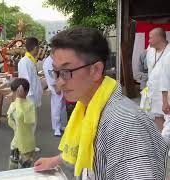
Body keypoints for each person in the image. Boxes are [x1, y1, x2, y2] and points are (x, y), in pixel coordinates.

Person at [34, 27, 168, 180]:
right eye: (56, 72)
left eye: (66, 72)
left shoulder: (126, 125)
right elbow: (85, 150)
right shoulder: (88, 108)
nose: (59, 82)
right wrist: (57, 161)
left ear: (96, 70)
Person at [141, 27, 170, 131]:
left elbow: (166, 78)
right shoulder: (150, 49)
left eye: (151, 38)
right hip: (151, 91)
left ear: (159, 38)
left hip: (166, 93)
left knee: (166, 121)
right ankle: (158, 142)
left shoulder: (169, 52)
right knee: (154, 117)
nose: (148, 40)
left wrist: (165, 100)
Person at [18, 37, 43, 151]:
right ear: (36, 48)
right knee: (30, 123)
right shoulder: (25, 62)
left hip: (31, 96)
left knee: (31, 122)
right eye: (38, 48)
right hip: (29, 97)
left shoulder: (30, 60)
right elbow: (25, 81)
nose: (39, 50)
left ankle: (29, 144)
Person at [7, 78, 36, 169]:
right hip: (16, 143)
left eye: (15, 92)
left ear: (24, 92)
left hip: (26, 146)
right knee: (12, 169)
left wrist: (19, 100)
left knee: (24, 172)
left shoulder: (30, 105)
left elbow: (26, 120)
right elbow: (11, 121)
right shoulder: (13, 104)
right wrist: (17, 101)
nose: (13, 94)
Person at [43, 54, 67, 136]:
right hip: (56, 86)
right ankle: (56, 127)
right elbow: (51, 76)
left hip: (61, 84)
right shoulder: (48, 62)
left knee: (62, 106)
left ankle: (60, 125)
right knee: (57, 107)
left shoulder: (57, 58)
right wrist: (56, 86)